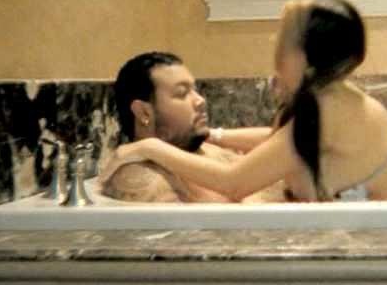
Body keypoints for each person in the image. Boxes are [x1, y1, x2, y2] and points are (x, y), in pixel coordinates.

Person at [99, 0, 387, 202]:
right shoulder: (324, 99)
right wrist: (215, 136)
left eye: (282, 36)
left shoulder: (328, 110)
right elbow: (282, 143)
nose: (273, 41)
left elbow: (234, 184)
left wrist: (149, 147)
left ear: (305, 55)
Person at [104, 51, 285, 203]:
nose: (200, 100)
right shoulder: (143, 178)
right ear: (144, 113)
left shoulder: (210, 151)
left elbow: (284, 140)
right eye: (182, 93)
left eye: (195, 90)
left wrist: (210, 135)